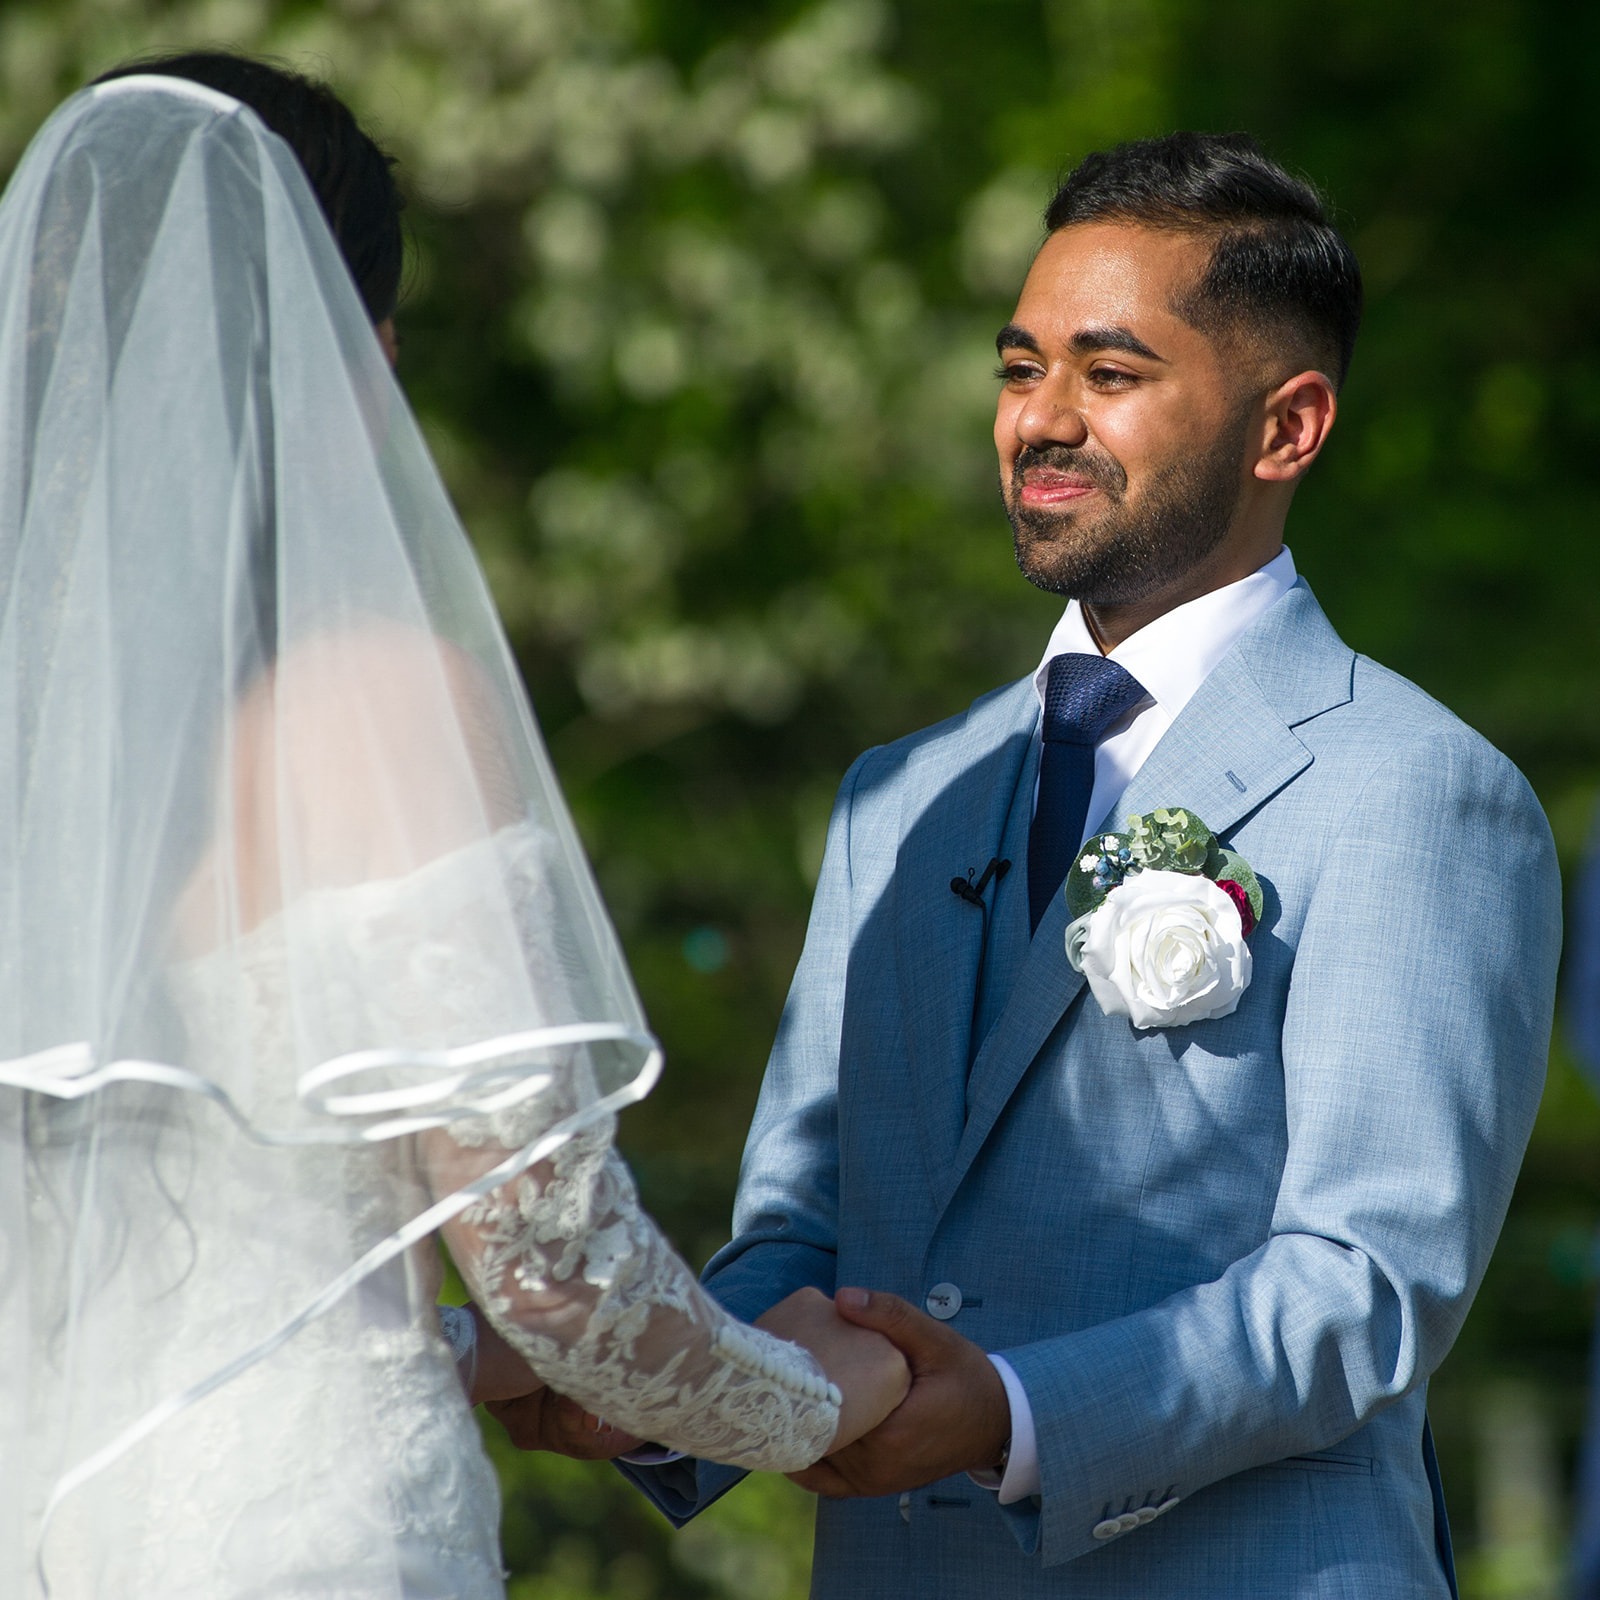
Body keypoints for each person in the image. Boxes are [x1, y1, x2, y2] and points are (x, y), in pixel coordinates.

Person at [593, 134, 1562, 1595]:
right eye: (1017, 367)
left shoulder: (1418, 792)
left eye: (1108, 375)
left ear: (1286, 427)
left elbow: (1366, 1289)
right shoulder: (897, 797)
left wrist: (1013, 1414)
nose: (1039, 418)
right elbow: (807, 1225)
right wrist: (645, 1388)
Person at [0, 57, 906, 1599]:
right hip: (304, 1541)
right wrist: (827, 1397)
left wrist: (446, 1340)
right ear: (355, 348)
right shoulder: (377, 705)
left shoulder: (37, 756)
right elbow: (556, 1275)